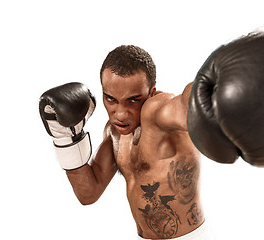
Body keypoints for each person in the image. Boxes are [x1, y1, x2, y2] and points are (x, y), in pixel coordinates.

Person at [39, 45, 212, 239]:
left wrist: (213, 86)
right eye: (111, 99)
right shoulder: (114, 132)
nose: (120, 114)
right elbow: (88, 194)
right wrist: (66, 139)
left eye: (133, 100)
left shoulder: (158, 111)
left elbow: (185, 106)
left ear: (151, 91)